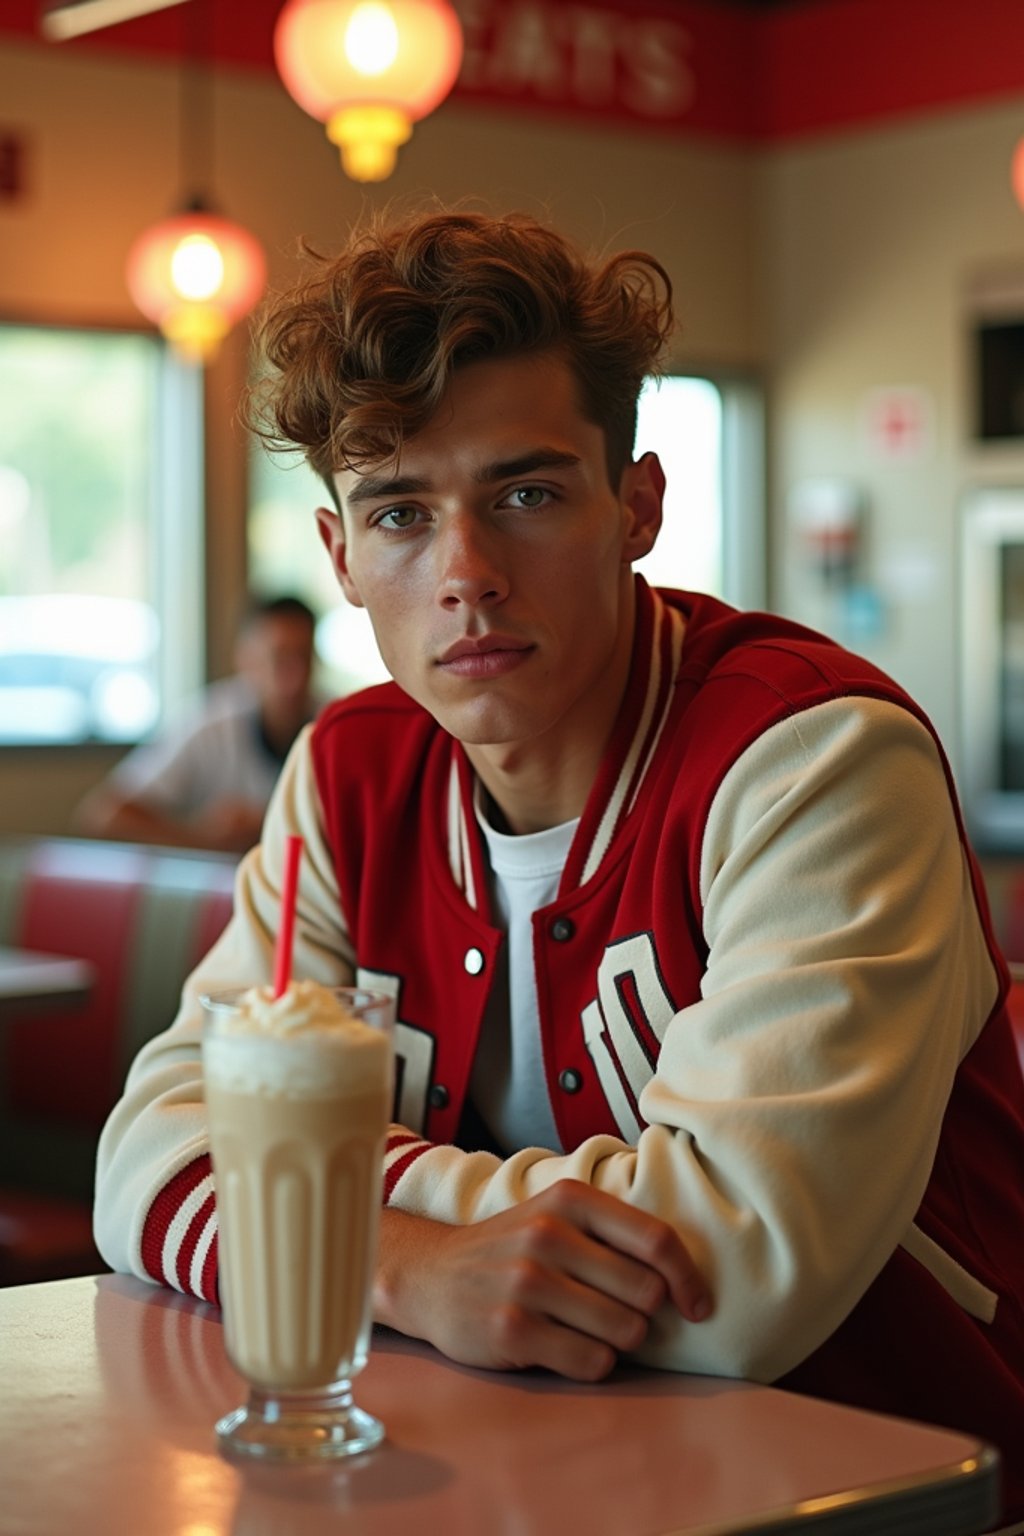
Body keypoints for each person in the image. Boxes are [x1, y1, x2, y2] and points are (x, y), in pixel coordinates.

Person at [93, 209, 1024, 1514]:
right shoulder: (346, 778)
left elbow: (736, 1279)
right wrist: (408, 1268)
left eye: (524, 494)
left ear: (635, 506)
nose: (466, 574)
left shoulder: (812, 762)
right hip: (529, 1481)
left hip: (902, 1488)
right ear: (342, 559)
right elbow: (144, 1151)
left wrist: (320, 1197)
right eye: (403, 513)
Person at [75, 595, 319, 854]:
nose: (294, 677)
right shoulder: (211, 726)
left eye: (303, 657)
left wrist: (264, 825)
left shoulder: (333, 725)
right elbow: (103, 816)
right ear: (245, 660)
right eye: (279, 659)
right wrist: (203, 842)